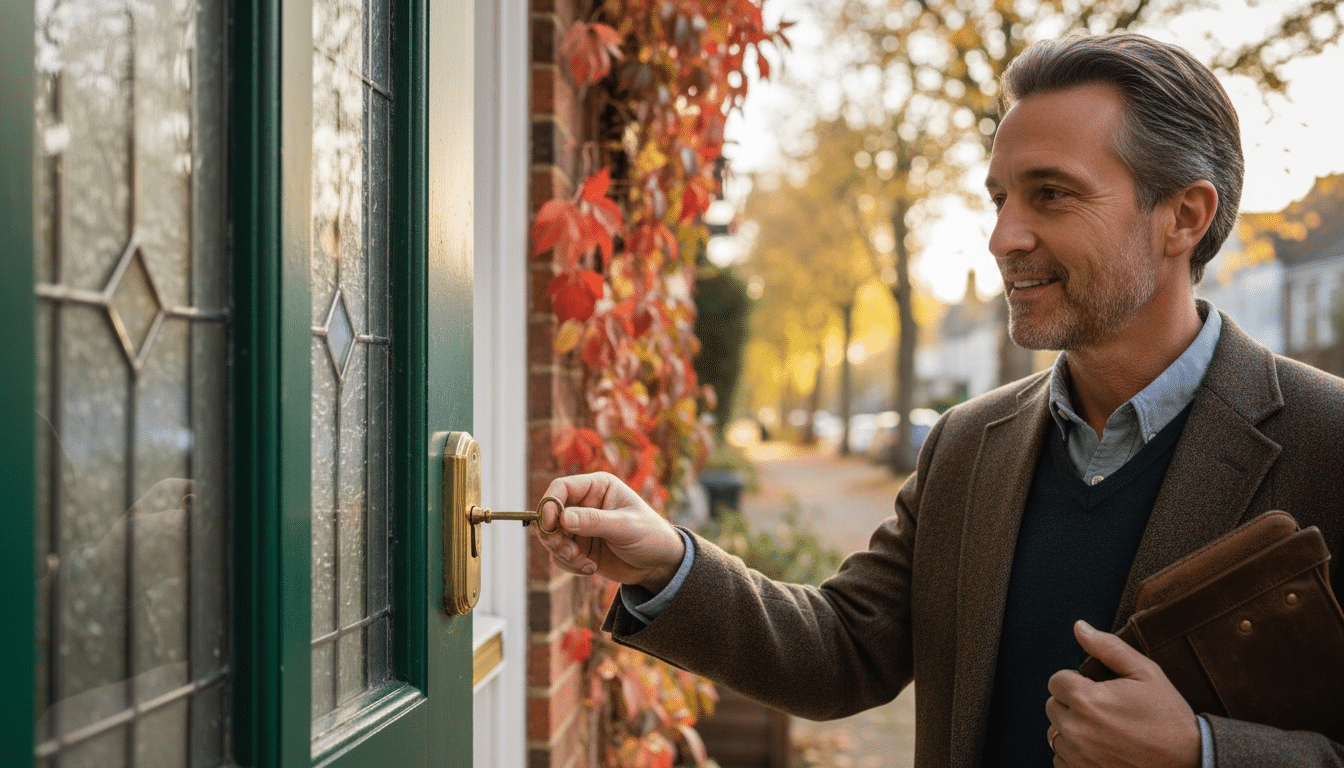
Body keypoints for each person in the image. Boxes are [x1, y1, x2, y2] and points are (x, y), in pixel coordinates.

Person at [535, 33, 1344, 768]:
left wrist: (1201, 752)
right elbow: (846, 649)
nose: (1003, 237)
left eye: (1051, 194)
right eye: (1000, 198)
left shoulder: (1328, 442)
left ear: (1185, 217)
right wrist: (670, 562)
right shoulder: (969, 443)